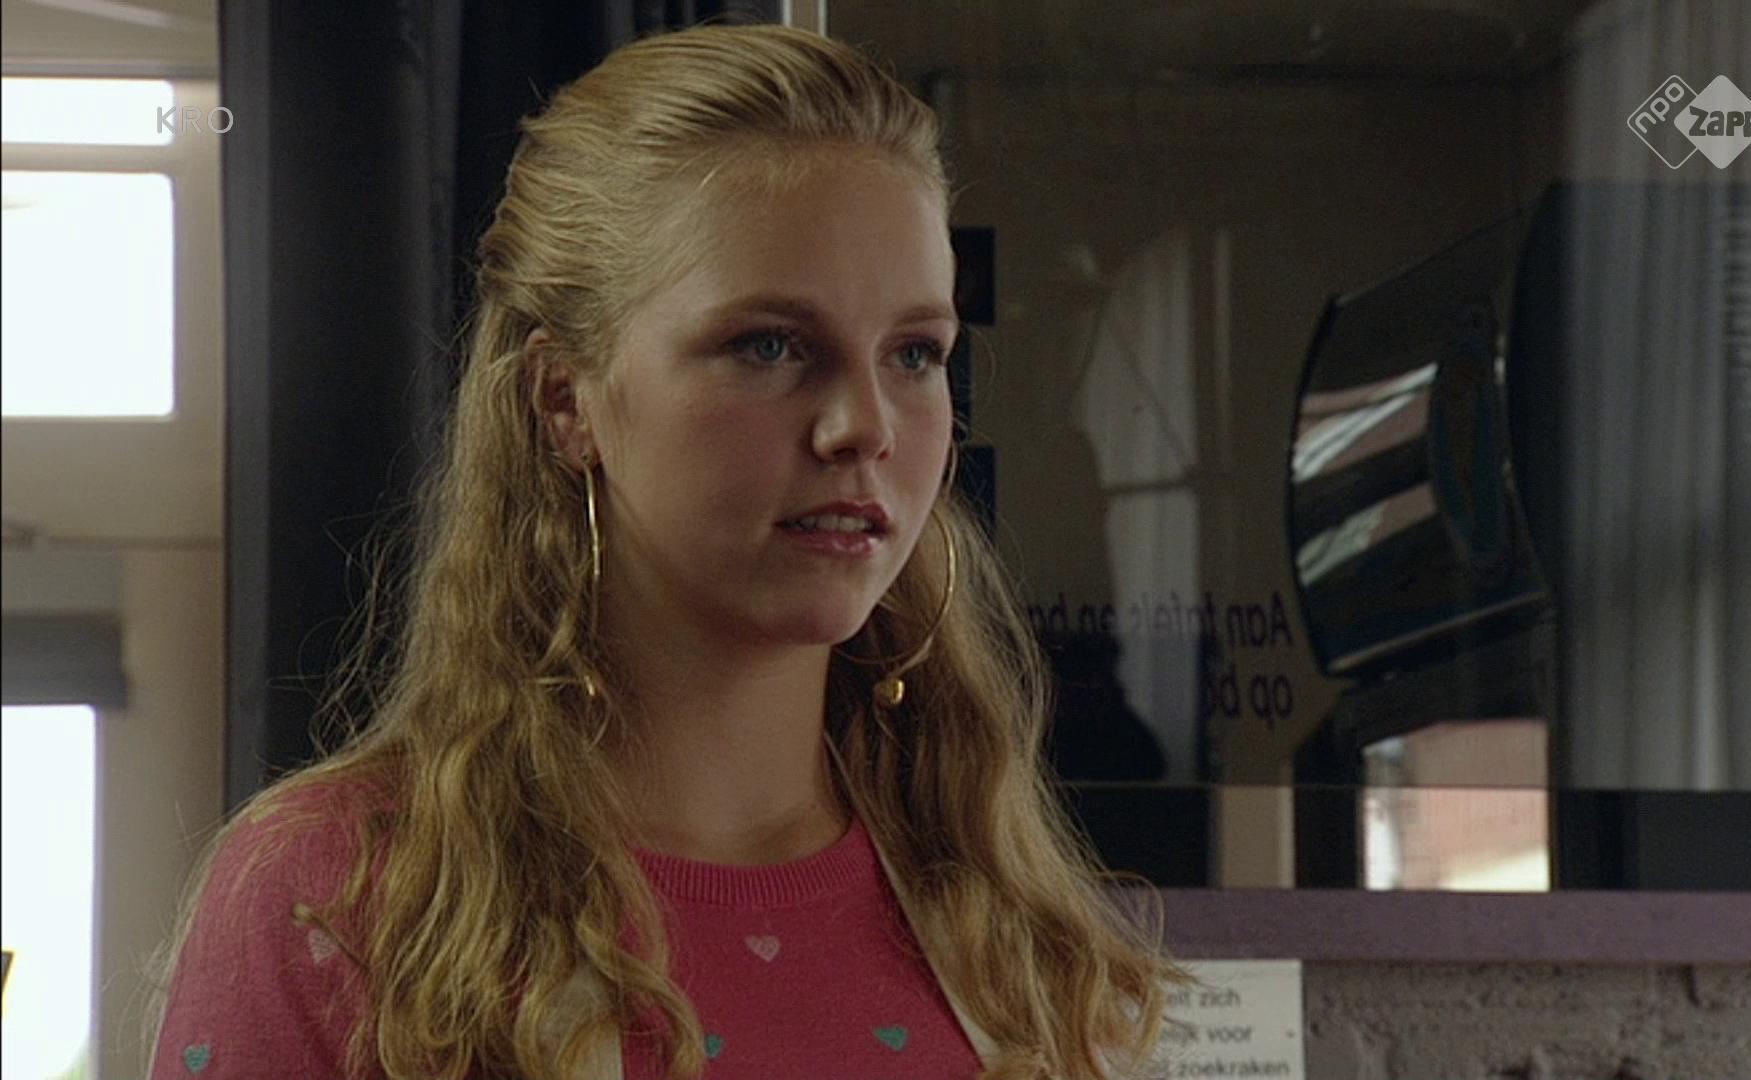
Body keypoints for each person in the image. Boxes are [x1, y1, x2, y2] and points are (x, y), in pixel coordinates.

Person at [143, 21, 1197, 1080]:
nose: (865, 426)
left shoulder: (1010, 926)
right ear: (566, 398)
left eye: (915, 354)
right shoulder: (342, 894)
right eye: (770, 346)